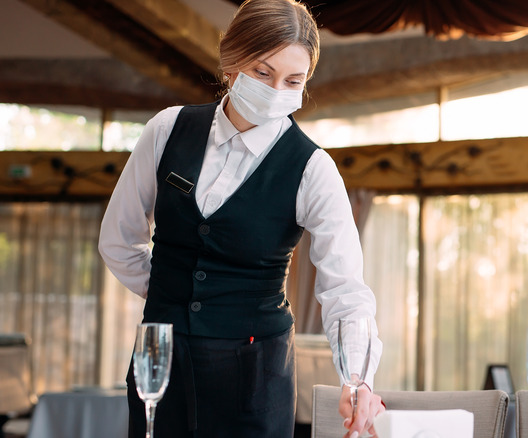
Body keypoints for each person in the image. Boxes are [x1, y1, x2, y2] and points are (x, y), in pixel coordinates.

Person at [98, 1, 383, 437]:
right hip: (160, 366)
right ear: (231, 63)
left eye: (293, 80)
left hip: (255, 377)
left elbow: (344, 288)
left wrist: (356, 376)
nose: (276, 90)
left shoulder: (312, 168)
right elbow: (118, 240)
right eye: (263, 73)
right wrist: (172, 294)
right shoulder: (166, 129)